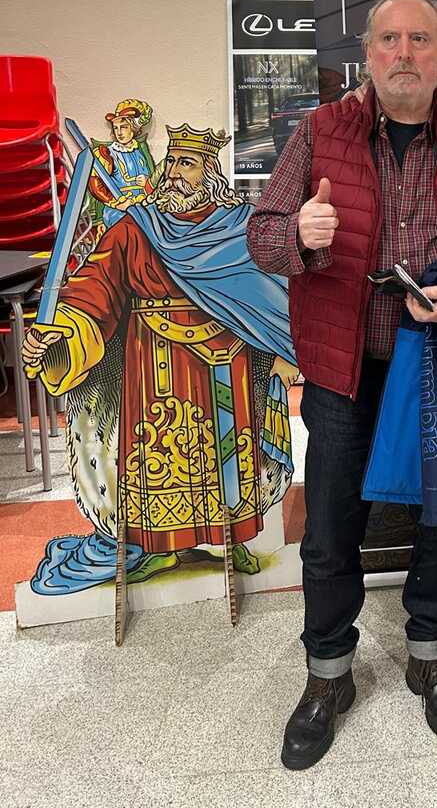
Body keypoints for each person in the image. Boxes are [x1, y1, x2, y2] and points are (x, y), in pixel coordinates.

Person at [246, 0, 437, 771]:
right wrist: (300, 234)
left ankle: (430, 658)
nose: (405, 53)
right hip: (343, 374)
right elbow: (260, 235)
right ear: (368, 53)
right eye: (390, 39)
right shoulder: (318, 134)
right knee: (332, 530)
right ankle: (328, 675)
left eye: (421, 40)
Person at [21, 124, 297, 590]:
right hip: (152, 364)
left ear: (210, 172)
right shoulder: (136, 228)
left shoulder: (241, 226)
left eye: (185, 164)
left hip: (228, 364)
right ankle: (157, 549)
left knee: (230, 458)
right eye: (170, 162)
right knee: (157, 458)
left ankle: (229, 539)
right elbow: (94, 289)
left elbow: (271, 291)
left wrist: (282, 348)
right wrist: (60, 331)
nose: (172, 173)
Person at [88, 98, 156, 233]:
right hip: (118, 209)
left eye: (124, 127)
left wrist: (147, 182)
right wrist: (115, 203)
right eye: (116, 128)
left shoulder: (141, 151)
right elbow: (95, 183)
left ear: (134, 128)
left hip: (143, 206)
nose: (119, 132)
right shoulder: (106, 153)